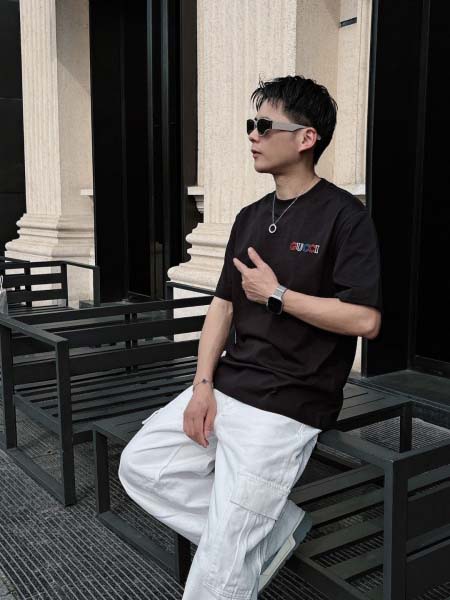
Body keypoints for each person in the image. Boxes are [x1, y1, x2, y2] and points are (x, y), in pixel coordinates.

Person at [119, 74, 383, 599]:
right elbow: (221, 306)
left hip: (290, 402)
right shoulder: (248, 217)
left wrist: (278, 294)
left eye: (264, 126)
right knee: (142, 466)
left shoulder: (345, 218)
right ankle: (273, 529)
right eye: (251, 124)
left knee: (222, 563)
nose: (252, 135)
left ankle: (239, 541)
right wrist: (202, 384)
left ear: (306, 138)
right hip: (229, 385)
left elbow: (365, 320)